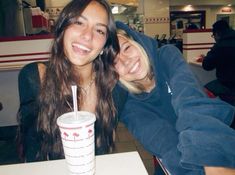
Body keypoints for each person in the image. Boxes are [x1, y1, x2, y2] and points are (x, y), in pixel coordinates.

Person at [114, 21, 235, 175]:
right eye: (115, 61)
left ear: (137, 42)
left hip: (211, 138)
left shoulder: (167, 55)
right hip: (177, 160)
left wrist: (213, 160)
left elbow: (191, 103)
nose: (126, 60)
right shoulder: (127, 104)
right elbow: (163, 141)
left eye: (127, 48)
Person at [16, 0, 127, 162]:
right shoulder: (34, 77)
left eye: (99, 30)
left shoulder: (114, 87)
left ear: (105, 45)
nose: (87, 35)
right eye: (79, 22)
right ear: (62, 29)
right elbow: (31, 151)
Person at [202, 20, 235, 107]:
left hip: (227, 85)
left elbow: (206, 66)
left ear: (217, 33)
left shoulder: (220, 46)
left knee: (203, 91)